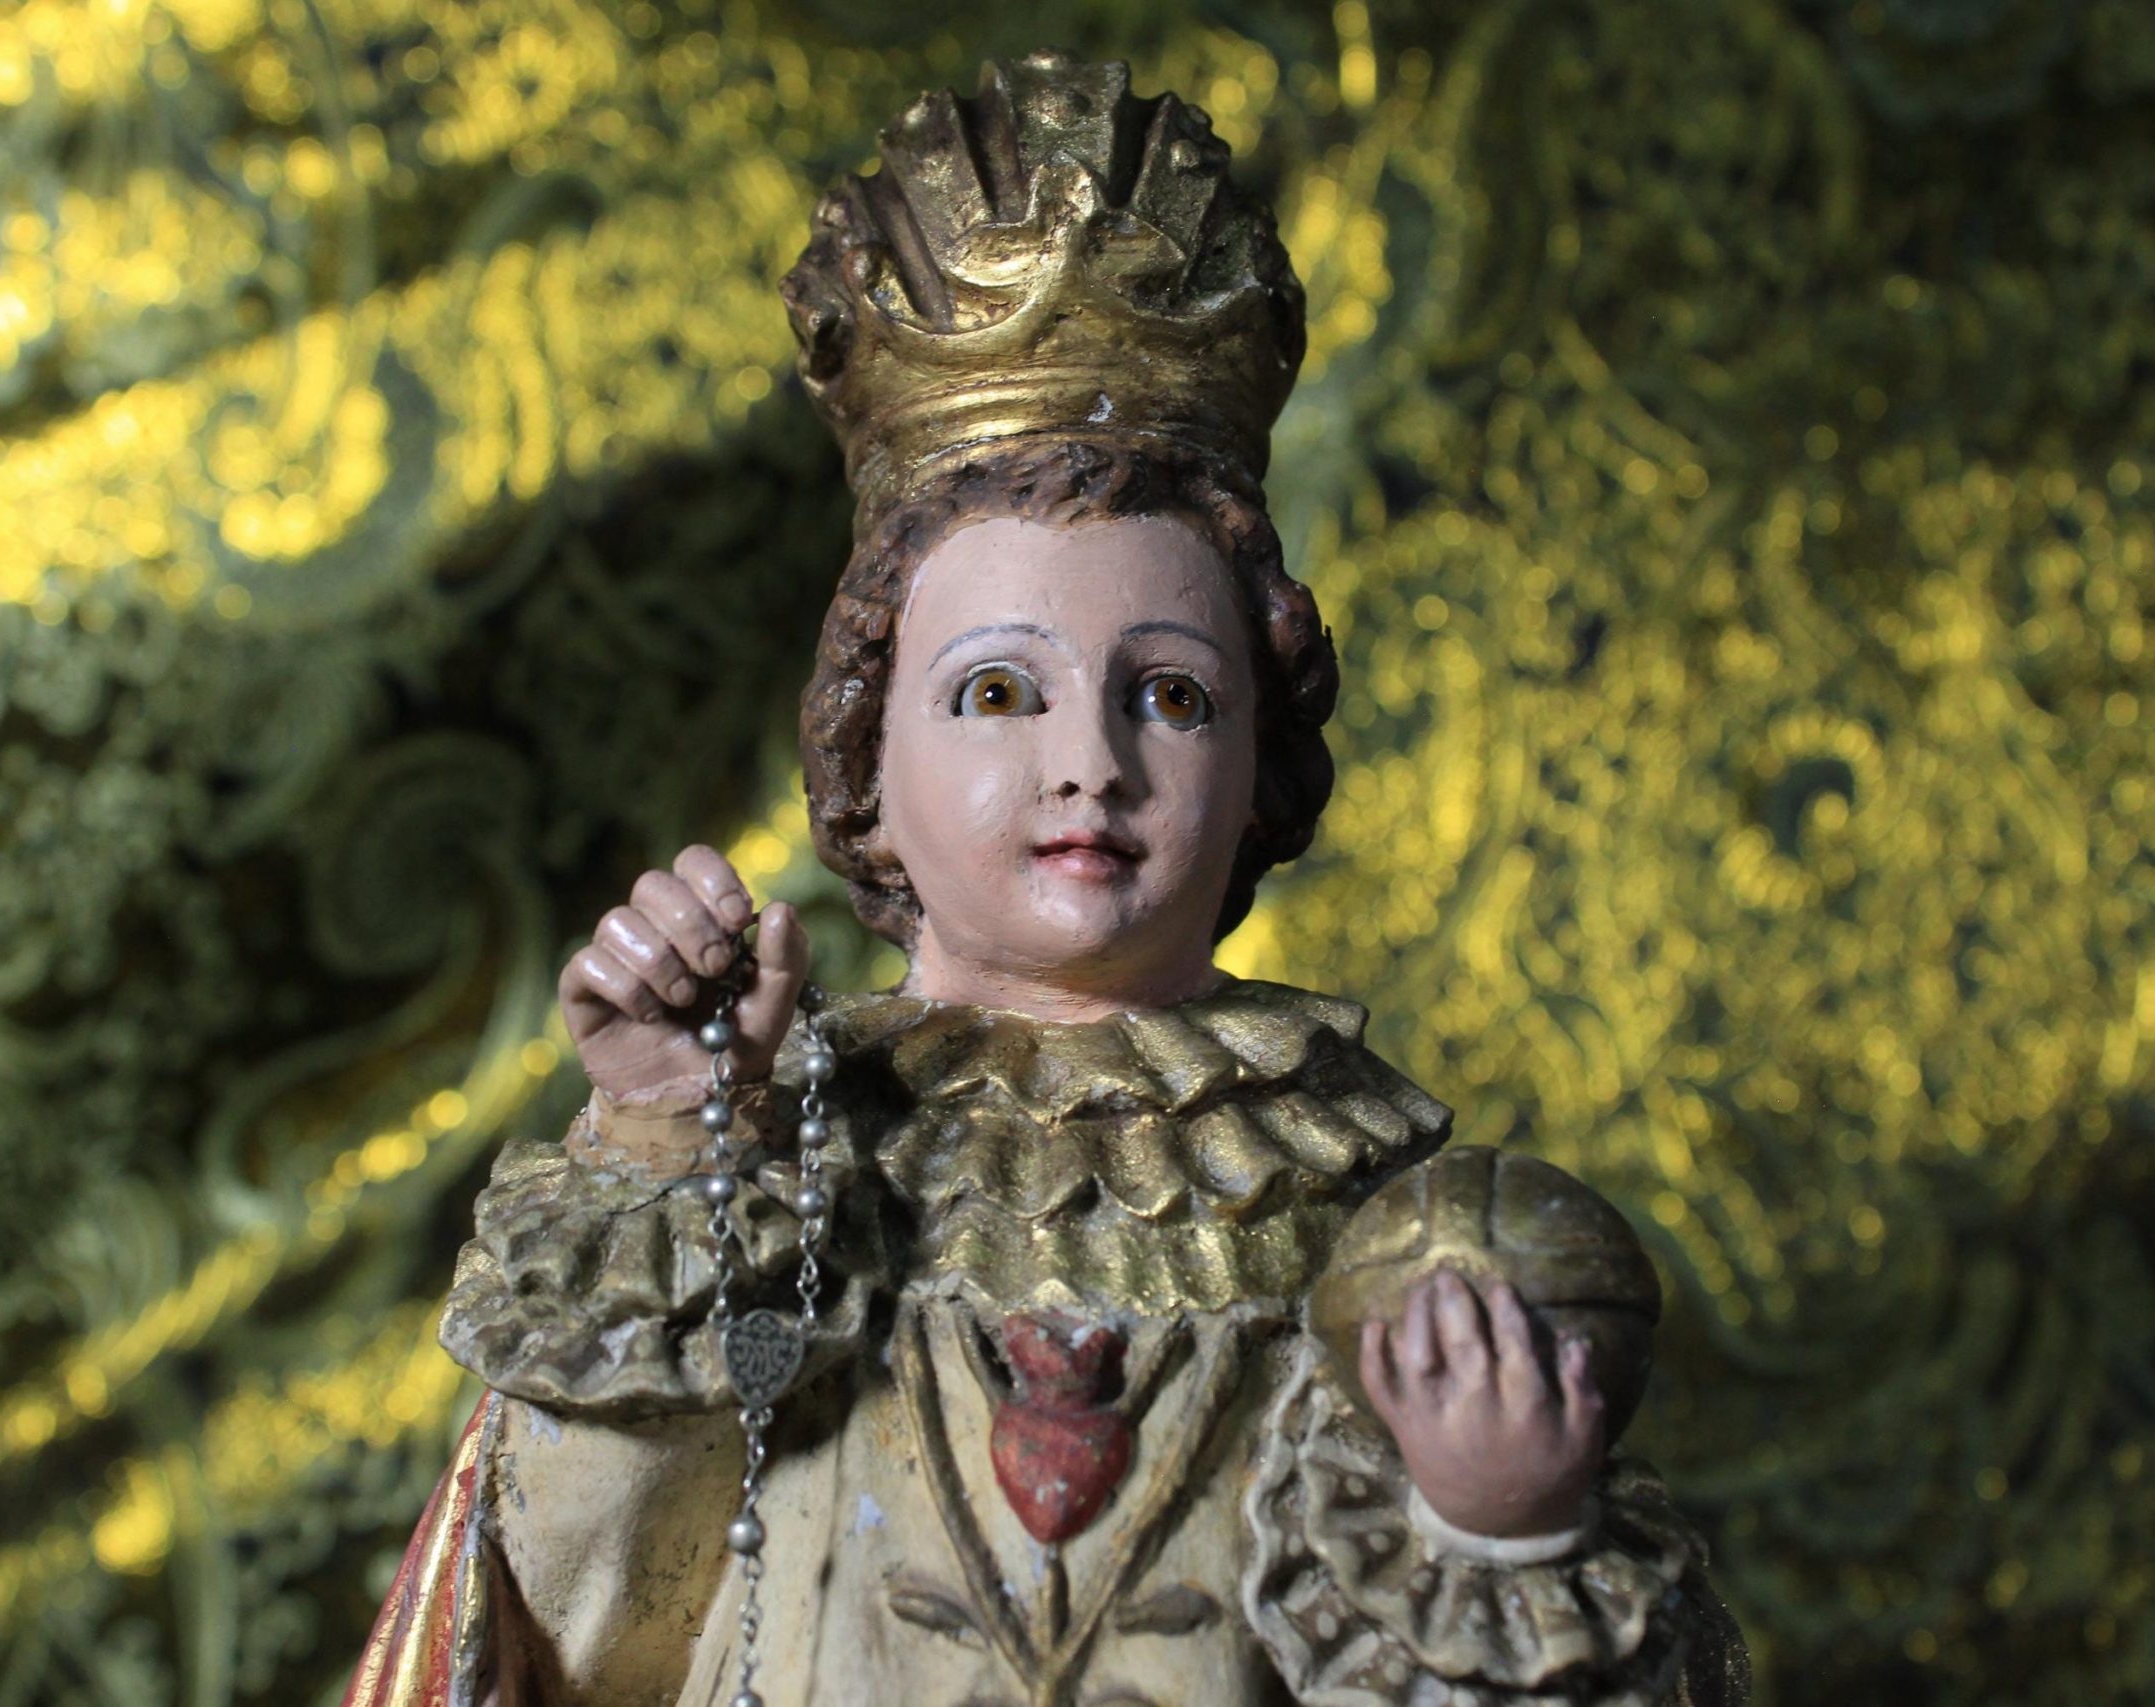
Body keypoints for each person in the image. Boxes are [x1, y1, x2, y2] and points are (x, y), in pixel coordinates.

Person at [346, 51, 1748, 1707]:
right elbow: (589, 1632)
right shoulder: (768, 1164)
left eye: (1174, 696)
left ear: (1264, 759)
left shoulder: (1376, 1222)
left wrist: (1494, 1532)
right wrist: (668, 1152)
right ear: (866, 753)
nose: (1092, 760)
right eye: (1000, 691)